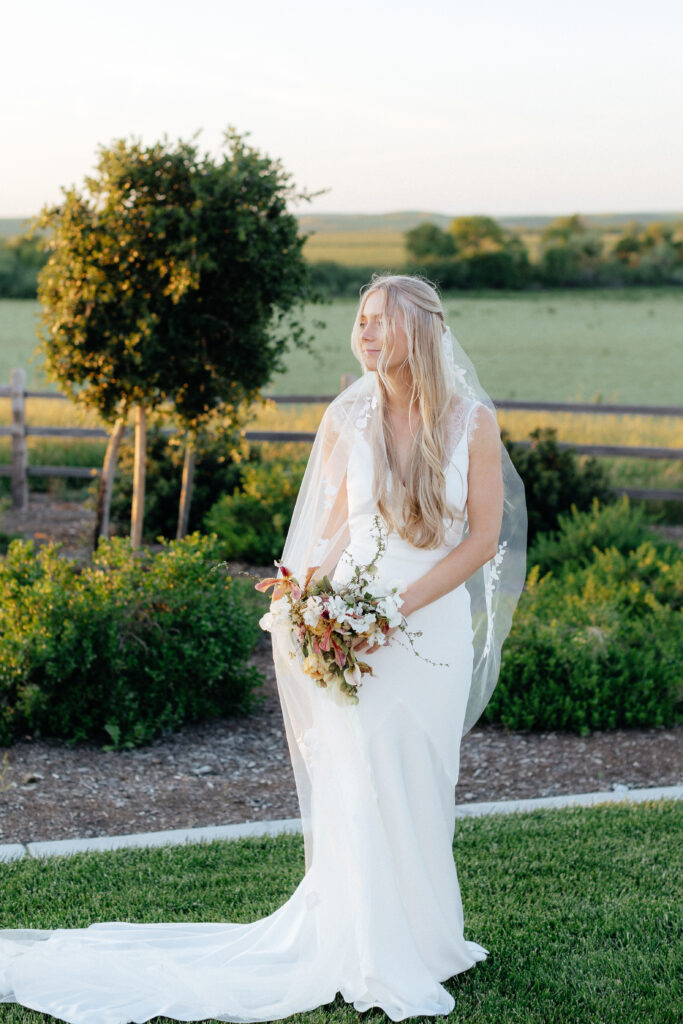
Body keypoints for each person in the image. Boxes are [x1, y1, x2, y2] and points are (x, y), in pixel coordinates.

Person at [0, 274, 527, 1023]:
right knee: (361, 781)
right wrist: (304, 596)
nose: (367, 333)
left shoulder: (471, 422)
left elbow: (480, 539)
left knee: (419, 778)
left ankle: (426, 940)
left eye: (382, 321)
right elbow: (338, 522)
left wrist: (395, 609)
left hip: (426, 628)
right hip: (352, 626)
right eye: (362, 319)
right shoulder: (351, 415)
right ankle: (368, 952)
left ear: (421, 331)